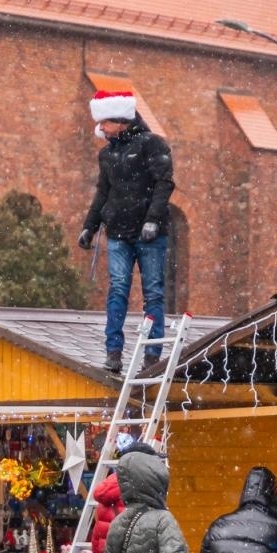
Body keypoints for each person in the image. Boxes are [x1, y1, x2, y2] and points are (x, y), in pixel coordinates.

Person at [77, 88, 176, 374]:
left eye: (105, 123)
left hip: (149, 235)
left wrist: (152, 220)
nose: (101, 128)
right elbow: (102, 192)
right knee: (118, 289)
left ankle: (152, 354)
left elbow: (163, 183)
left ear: (121, 121)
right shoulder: (107, 155)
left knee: (153, 292)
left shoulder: (152, 145)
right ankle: (114, 352)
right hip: (118, 232)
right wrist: (90, 226)